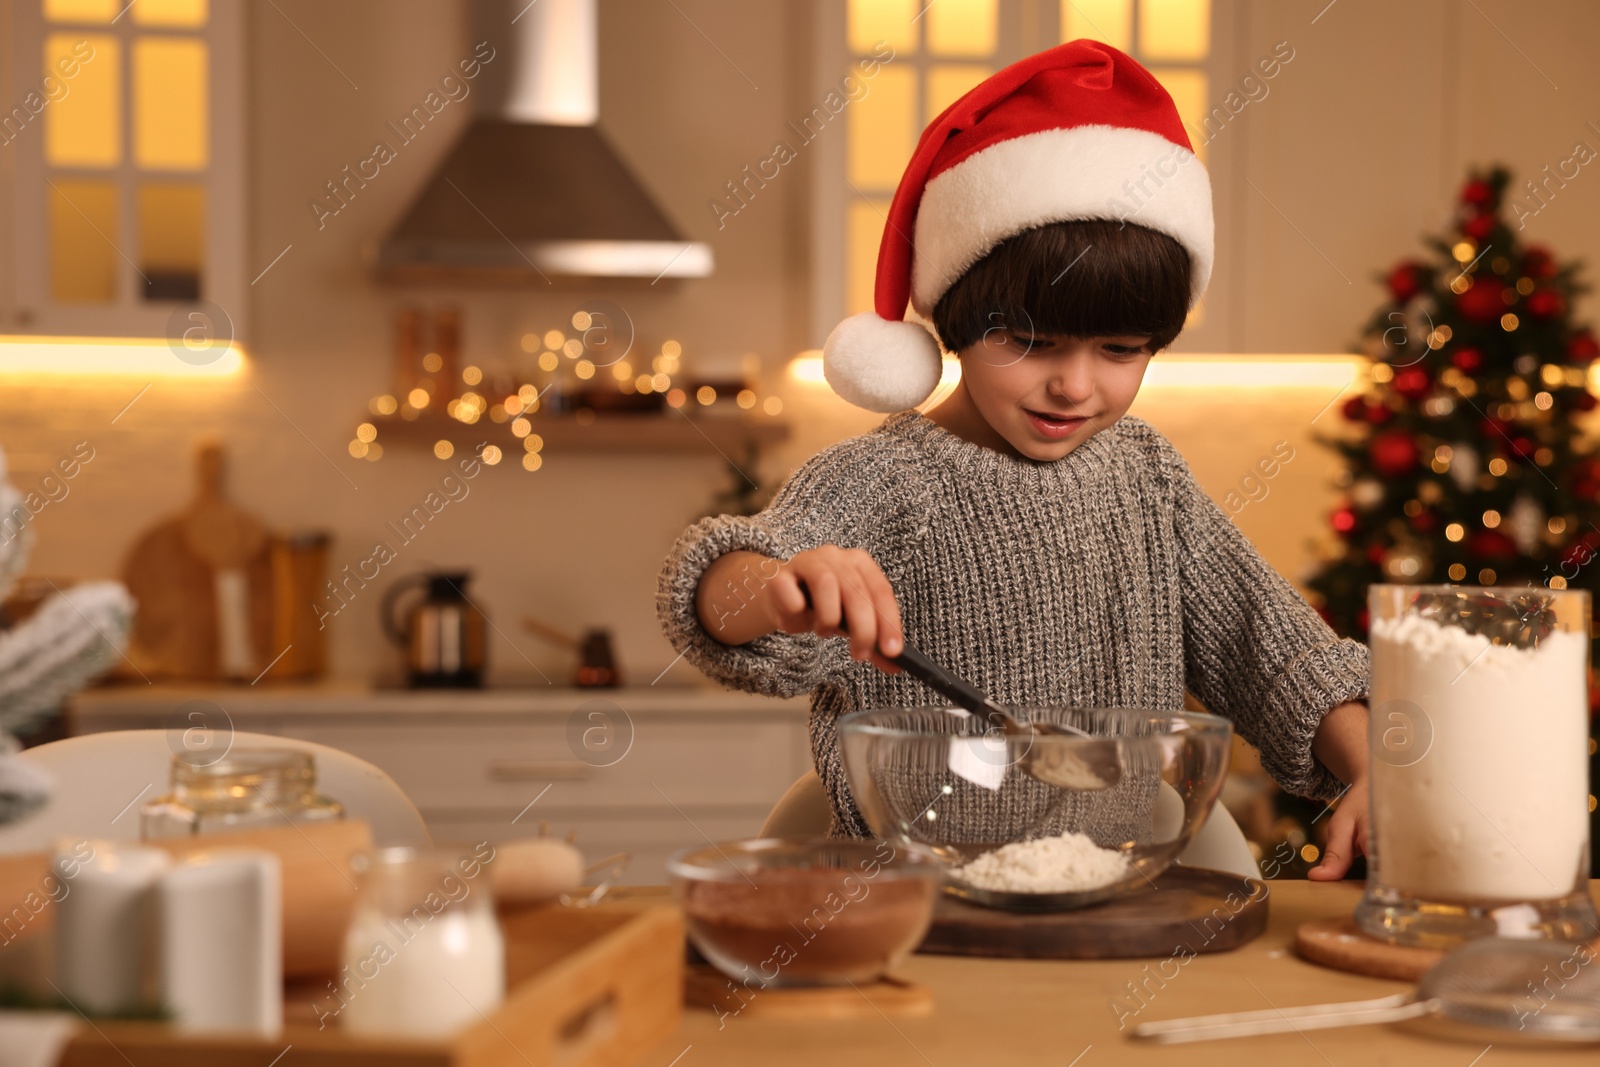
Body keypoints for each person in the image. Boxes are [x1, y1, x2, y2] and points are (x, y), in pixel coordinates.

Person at [655, 40, 1370, 879]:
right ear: (956, 317)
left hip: (1118, 888)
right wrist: (782, 587)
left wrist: (1369, 763)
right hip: (914, 897)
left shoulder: (1146, 478)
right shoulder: (887, 482)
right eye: (1025, 341)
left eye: (1120, 348)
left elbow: (1272, 649)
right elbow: (715, 593)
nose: (1073, 385)